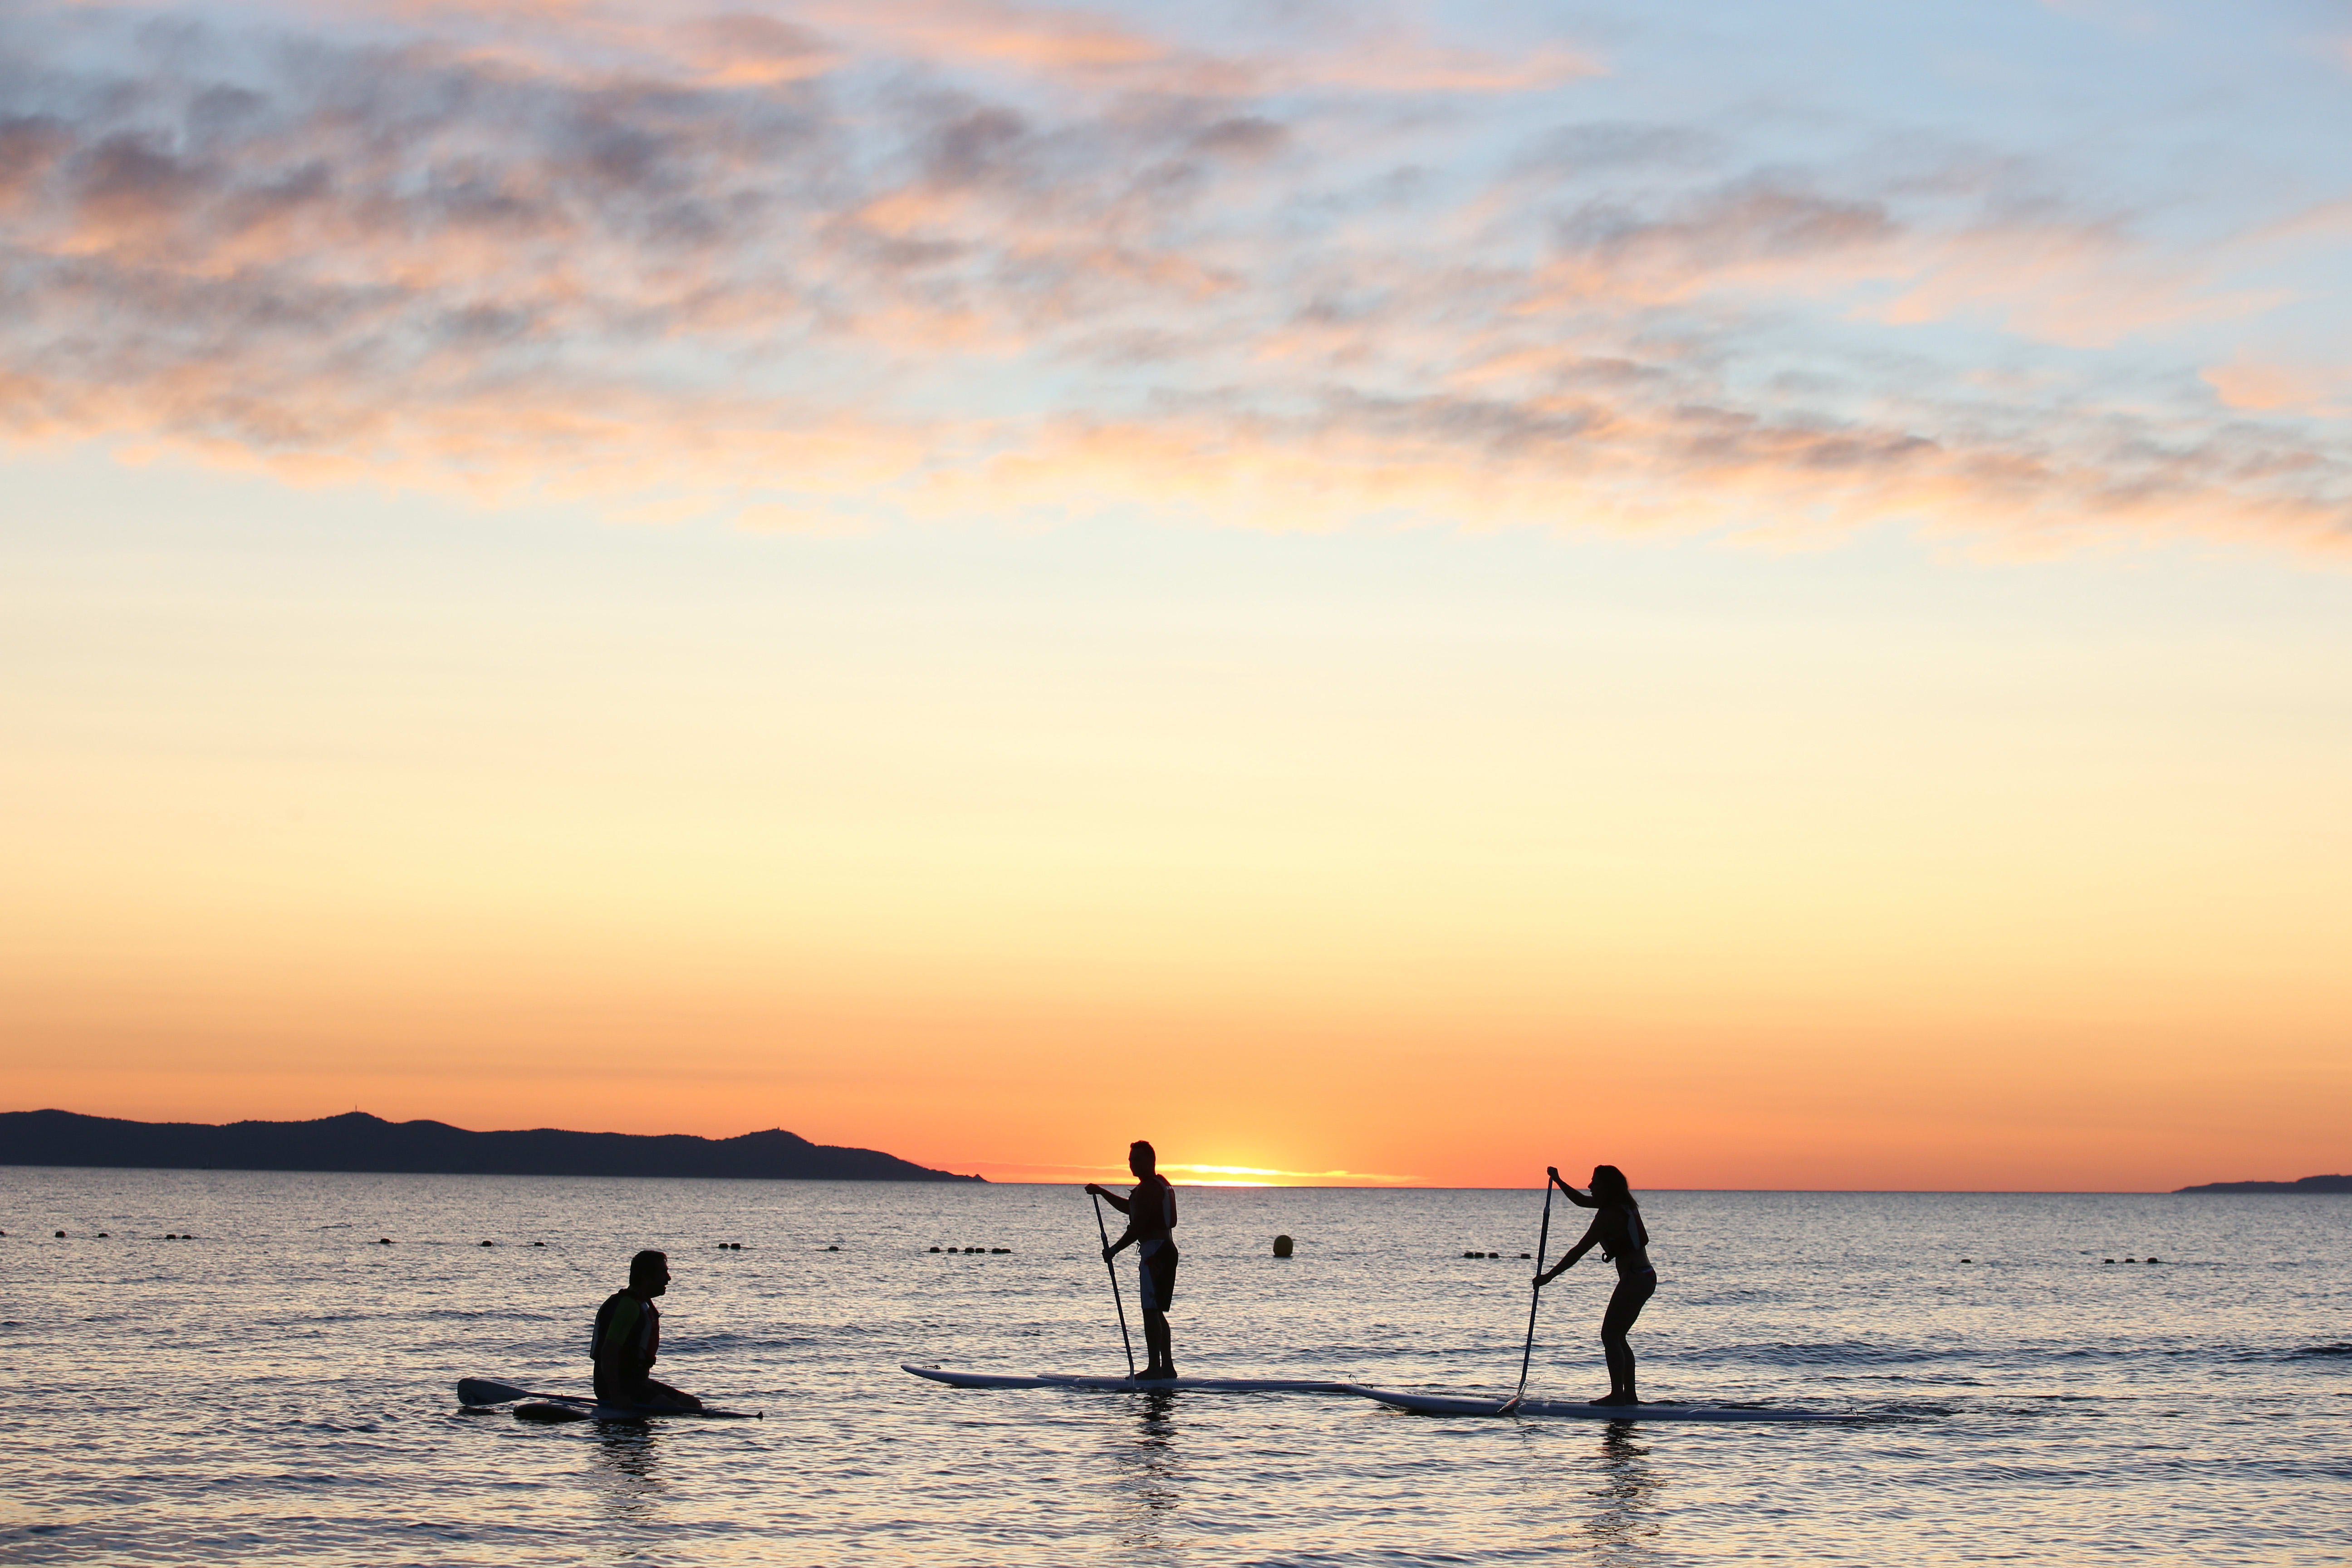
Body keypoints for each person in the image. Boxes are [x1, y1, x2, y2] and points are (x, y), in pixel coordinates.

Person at [1534, 1165, 1653, 1406]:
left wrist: (1549, 1276)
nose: (1590, 1186)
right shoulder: (1621, 1205)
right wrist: (1558, 1180)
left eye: (1595, 1183)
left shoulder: (1609, 1216)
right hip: (1644, 1277)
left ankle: (1619, 1396)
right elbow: (1581, 1201)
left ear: (1608, 1188)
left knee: (1610, 1335)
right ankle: (1629, 1397)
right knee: (1618, 1337)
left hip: (1635, 1279)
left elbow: (1578, 1251)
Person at [1086, 1141, 1180, 1380]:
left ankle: (1155, 1368)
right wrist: (1102, 1192)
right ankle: (1167, 1367)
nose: (1132, 1164)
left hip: (1156, 1254)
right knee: (1156, 1311)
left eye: (1137, 1160)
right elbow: (1131, 1208)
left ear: (1150, 1161)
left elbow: (1137, 1227)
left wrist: (1114, 1250)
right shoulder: (1158, 1185)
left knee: (1151, 1311)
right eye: (1130, 1160)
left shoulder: (1149, 1189)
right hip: (1164, 1251)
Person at [591, 1249, 703, 1410]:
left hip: (636, 1382)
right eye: (663, 1273)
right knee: (673, 1409)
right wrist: (616, 1396)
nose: (669, 1279)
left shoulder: (643, 1304)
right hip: (616, 1386)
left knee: (693, 1404)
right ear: (646, 1277)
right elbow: (609, 1352)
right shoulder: (629, 1307)